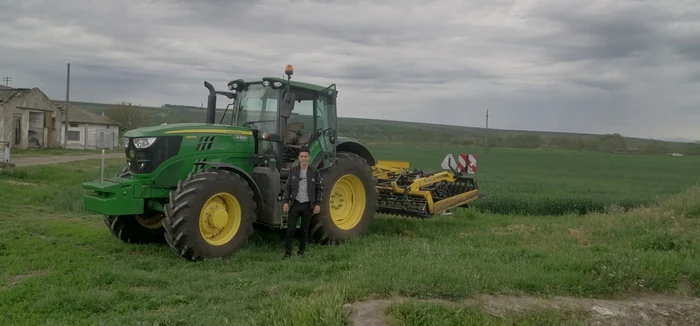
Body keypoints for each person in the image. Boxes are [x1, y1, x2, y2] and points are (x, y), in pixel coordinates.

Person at [281, 146, 323, 258]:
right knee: (290, 230)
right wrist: (285, 202)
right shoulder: (293, 171)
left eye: (305, 156)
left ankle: (301, 253)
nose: (303, 159)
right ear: (298, 158)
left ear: (309, 157)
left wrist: (317, 203)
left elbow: (319, 189)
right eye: (301, 156)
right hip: (295, 204)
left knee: (304, 231)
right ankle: (288, 253)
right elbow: (288, 187)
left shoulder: (314, 172)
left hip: (308, 206)